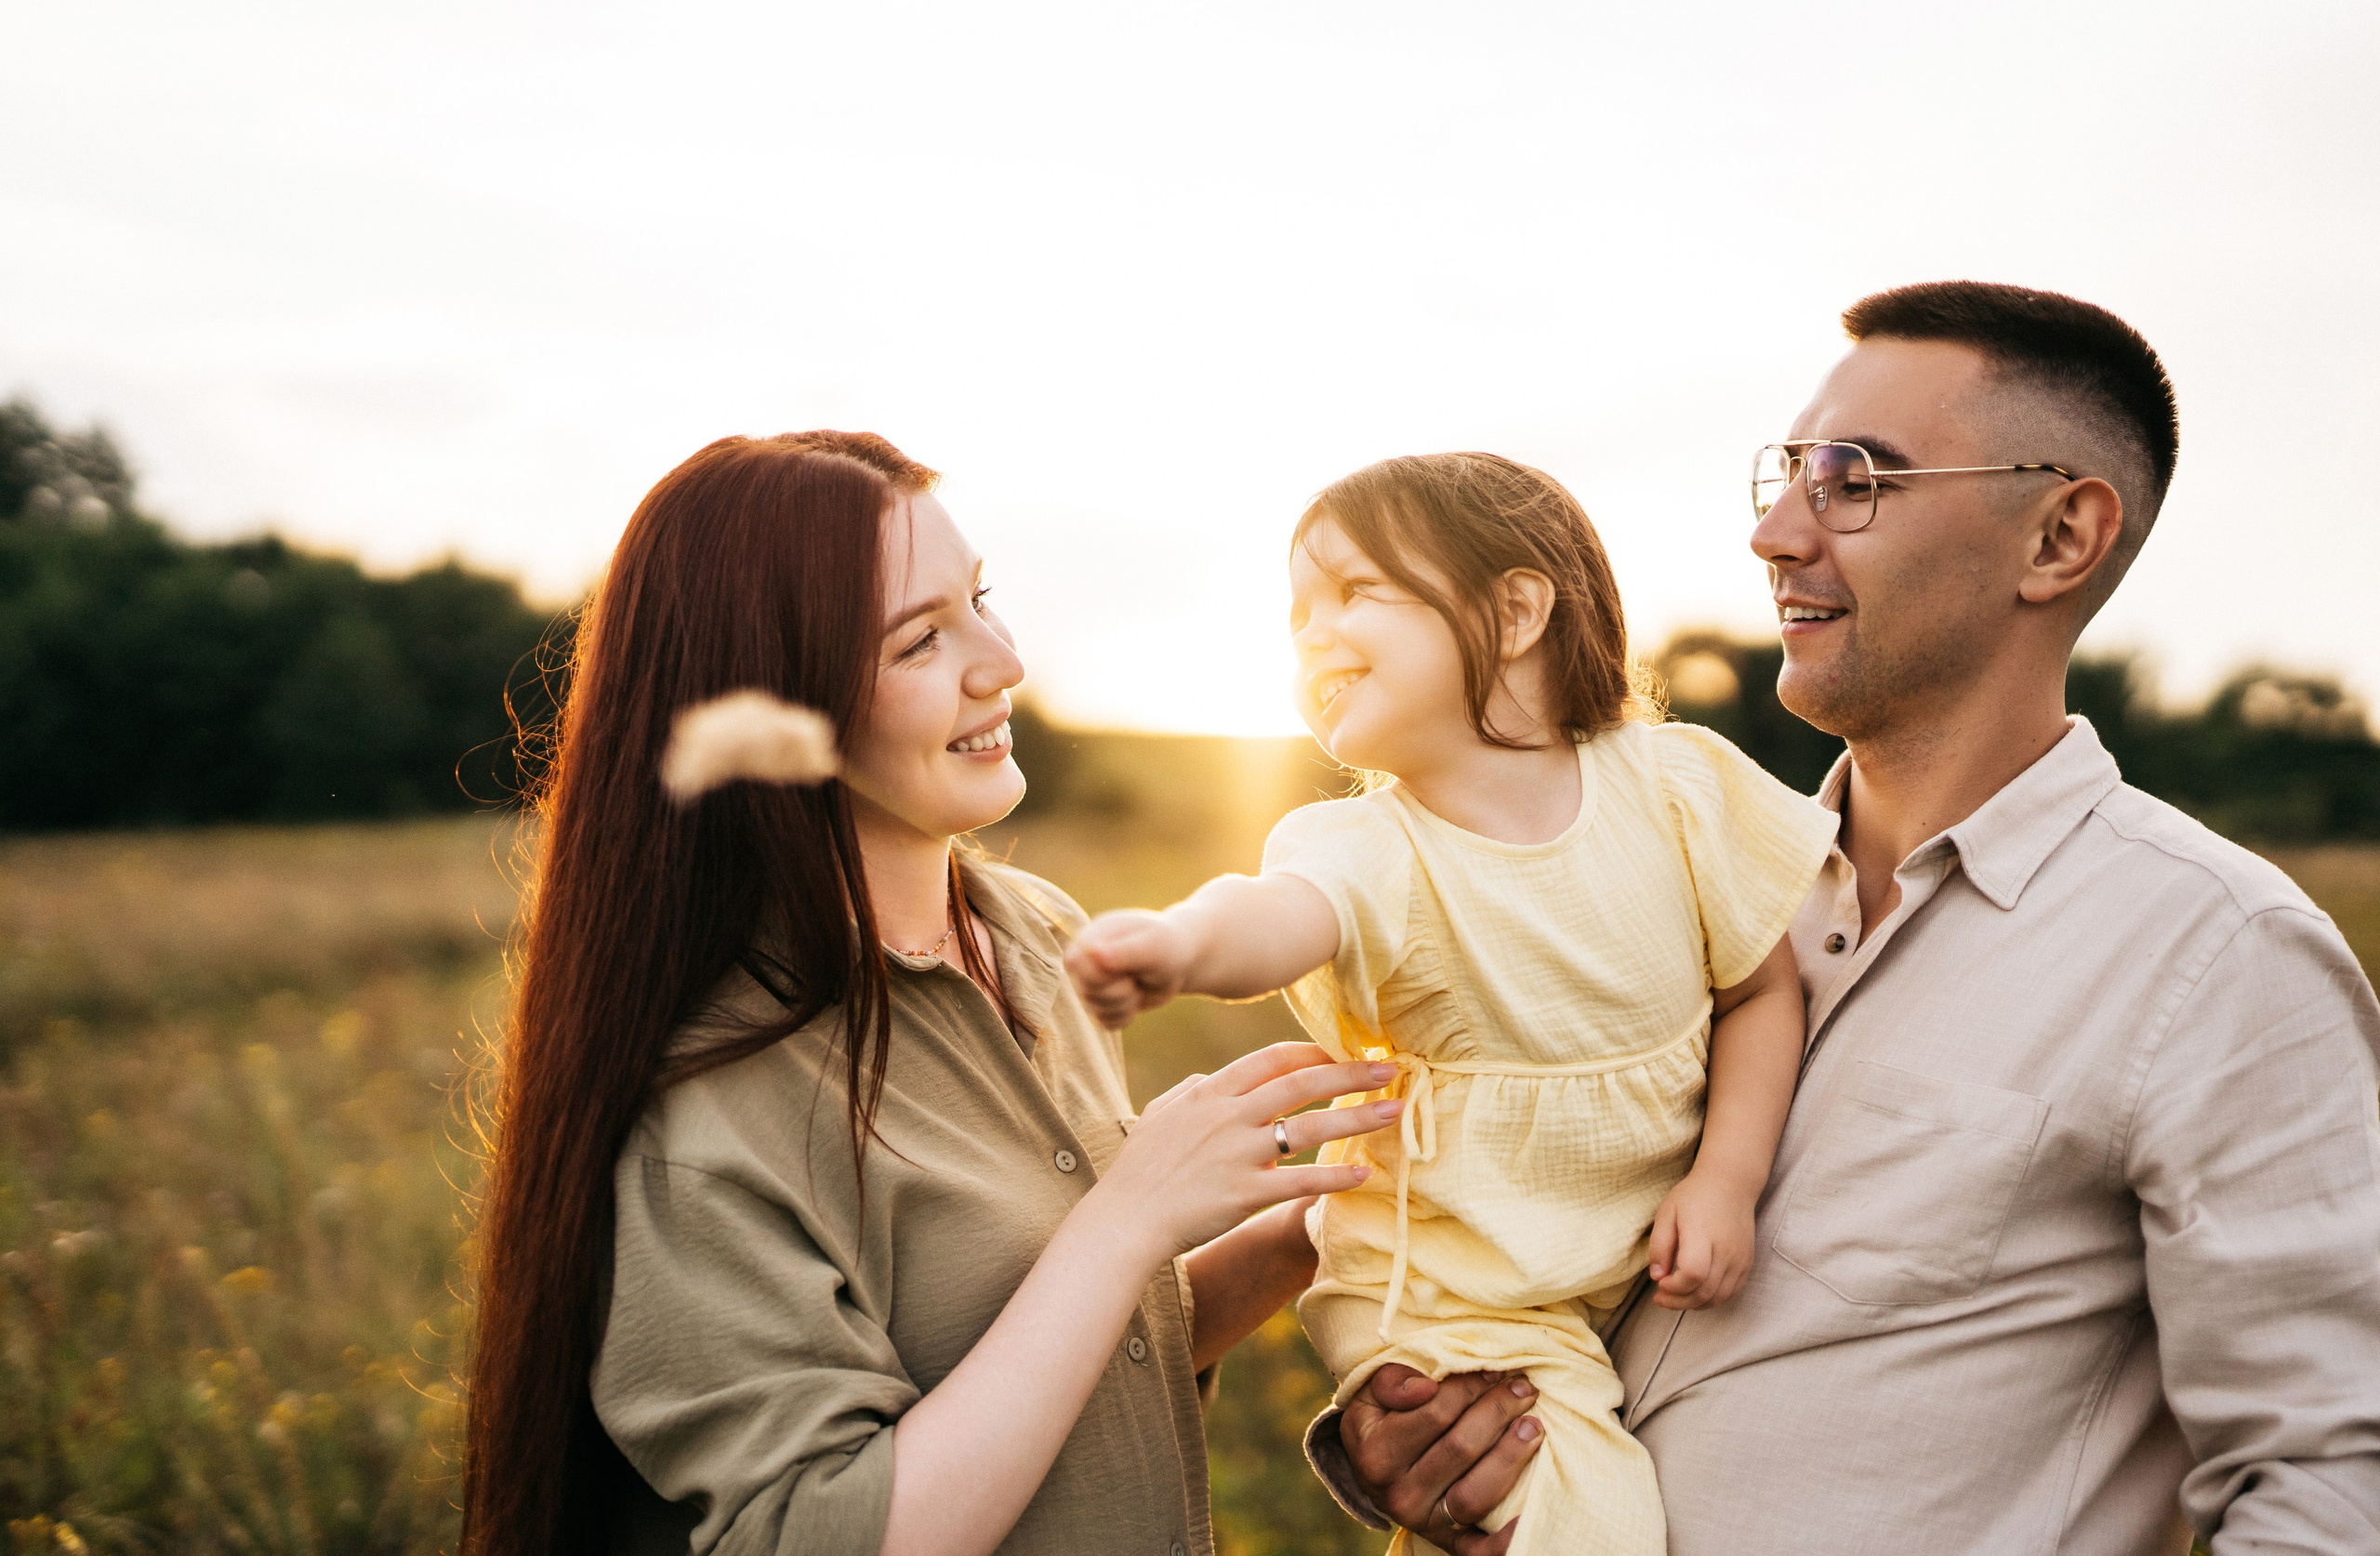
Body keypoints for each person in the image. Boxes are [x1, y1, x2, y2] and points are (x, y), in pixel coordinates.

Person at [1310, 282, 2380, 1555]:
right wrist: (1418, 1438)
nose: (1774, 533)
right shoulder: (1654, 864)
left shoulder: (2221, 955)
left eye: (1852, 478)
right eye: (1785, 473)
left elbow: (2329, 1481)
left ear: (2059, 538)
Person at [460, 430, 1401, 1556]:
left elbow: (1068, 1355)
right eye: (921, 640)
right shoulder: (704, 1110)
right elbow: (822, 1533)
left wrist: (1315, 1222)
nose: (1001, 661)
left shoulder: (1037, 936)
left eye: (981, 599)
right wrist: (1130, 1214)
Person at [1064, 453, 1838, 1555]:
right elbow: (1275, 911)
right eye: (1296, 616)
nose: (1311, 636)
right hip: (1461, 1295)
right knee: (1594, 1529)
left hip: (1619, 1264)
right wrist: (1180, 942)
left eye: (1355, 593)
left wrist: (1726, 1178)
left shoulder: (1671, 788)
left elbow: (1761, 990)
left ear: (1517, 609)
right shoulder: (1371, 848)